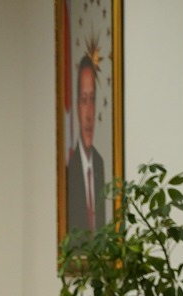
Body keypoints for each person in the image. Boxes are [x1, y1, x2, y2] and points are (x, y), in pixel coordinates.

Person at [66, 54, 106, 234]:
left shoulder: (99, 164)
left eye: (92, 100)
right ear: (77, 107)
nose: (89, 115)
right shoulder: (70, 169)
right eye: (84, 101)